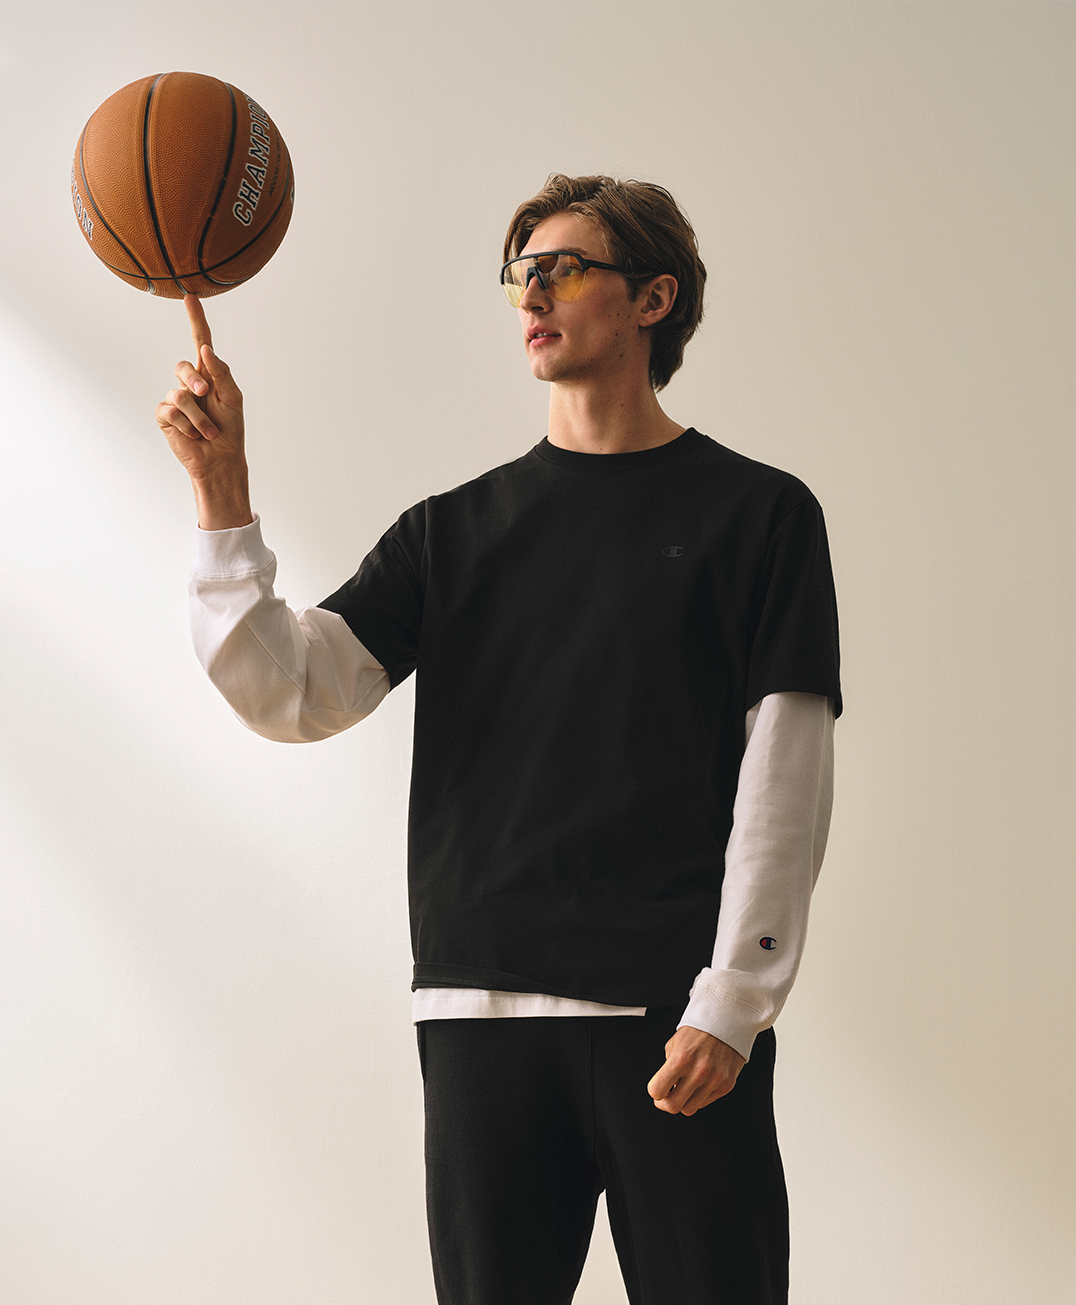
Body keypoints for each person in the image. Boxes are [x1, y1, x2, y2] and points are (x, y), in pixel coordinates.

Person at [155, 174, 841, 1305]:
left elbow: (789, 770)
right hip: (480, 1019)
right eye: (522, 271)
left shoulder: (760, 517)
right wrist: (222, 493)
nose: (534, 291)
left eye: (564, 266)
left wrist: (735, 1000)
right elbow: (296, 694)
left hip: (672, 1014)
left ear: (653, 298)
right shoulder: (453, 532)